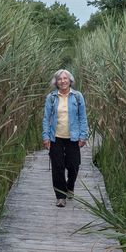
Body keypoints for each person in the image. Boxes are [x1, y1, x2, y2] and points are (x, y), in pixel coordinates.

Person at [42, 69, 89, 207]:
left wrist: (83, 135)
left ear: (70, 80)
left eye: (65, 78)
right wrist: (45, 137)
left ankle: (70, 186)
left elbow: (83, 117)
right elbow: (46, 118)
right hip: (55, 137)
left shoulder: (77, 96)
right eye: (60, 79)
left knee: (74, 165)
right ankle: (60, 196)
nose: (63, 81)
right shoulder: (51, 97)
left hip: (73, 137)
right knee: (58, 167)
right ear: (56, 82)